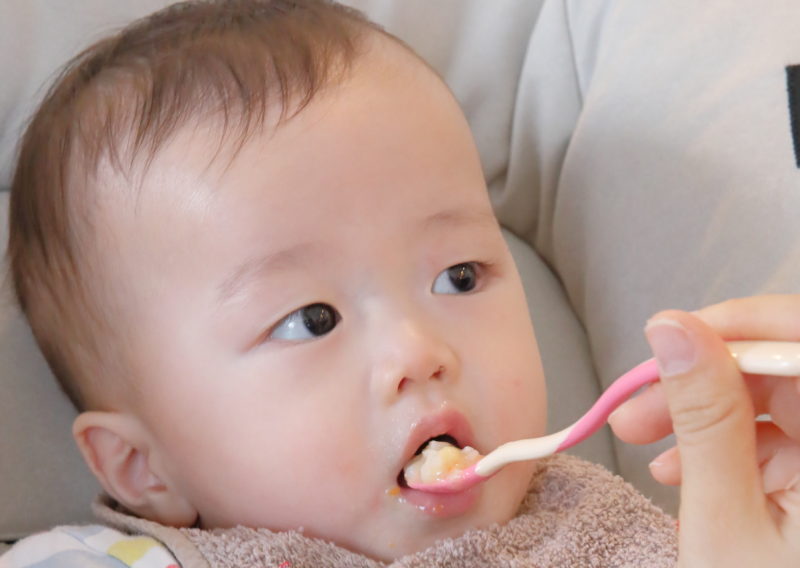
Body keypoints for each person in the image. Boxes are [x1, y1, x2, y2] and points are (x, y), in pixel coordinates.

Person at [0, 1, 795, 566]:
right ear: (143, 468)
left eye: (459, 276)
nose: (419, 352)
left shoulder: (617, 535)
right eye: (312, 319)